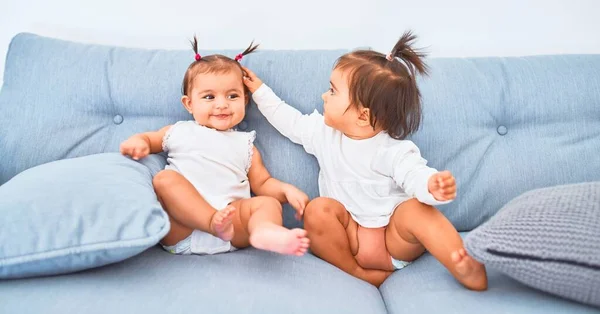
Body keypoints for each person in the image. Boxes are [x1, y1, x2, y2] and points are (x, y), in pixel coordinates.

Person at [242, 31, 487, 289]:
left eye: (333, 91)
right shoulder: (322, 133)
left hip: (395, 242)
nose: (324, 96)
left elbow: (415, 175)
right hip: (350, 240)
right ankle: (355, 272)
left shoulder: (393, 150)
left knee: (417, 210)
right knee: (317, 210)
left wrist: (431, 186)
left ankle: (461, 261)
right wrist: (259, 91)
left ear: (362, 116)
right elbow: (288, 120)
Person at [120, 36, 310, 257]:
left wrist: (286, 190)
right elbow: (149, 139)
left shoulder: (246, 144)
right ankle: (211, 221)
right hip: (183, 228)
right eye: (209, 97)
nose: (222, 104)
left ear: (245, 100)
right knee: (164, 180)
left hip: (233, 226)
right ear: (189, 104)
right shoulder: (179, 131)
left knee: (267, 204)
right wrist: (138, 142)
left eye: (232, 95)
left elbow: (263, 183)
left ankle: (264, 231)